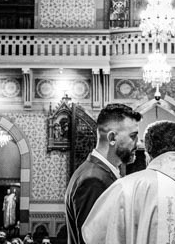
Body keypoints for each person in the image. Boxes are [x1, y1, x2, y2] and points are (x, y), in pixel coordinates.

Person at [65, 103, 142, 244]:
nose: (137, 144)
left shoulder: (98, 172)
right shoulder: (93, 180)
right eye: (133, 136)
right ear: (112, 138)